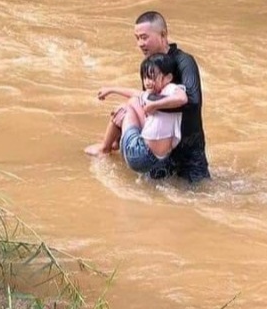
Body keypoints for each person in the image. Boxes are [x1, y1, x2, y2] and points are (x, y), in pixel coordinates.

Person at [86, 11, 211, 183]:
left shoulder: (185, 62)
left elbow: (193, 101)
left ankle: (108, 146)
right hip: (161, 151)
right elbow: (145, 104)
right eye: (137, 38)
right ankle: (112, 145)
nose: (140, 44)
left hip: (189, 151)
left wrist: (153, 105)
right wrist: (123, 128)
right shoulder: (150, 66)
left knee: (200, 197)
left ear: (163, 35)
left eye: (144, 37)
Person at [105, 54, 187, 175]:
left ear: (168, 78)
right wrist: (111, 89)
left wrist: (155, 105)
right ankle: (116, 141)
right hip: (160, 159)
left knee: (125, 108)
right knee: (134, 100)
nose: (148, 82)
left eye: (153, 78)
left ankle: (105, 148)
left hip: (139, 155)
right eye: (145, 78)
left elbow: (182, 99)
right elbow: (135, 93)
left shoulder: (170, 88)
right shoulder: (156, 94)